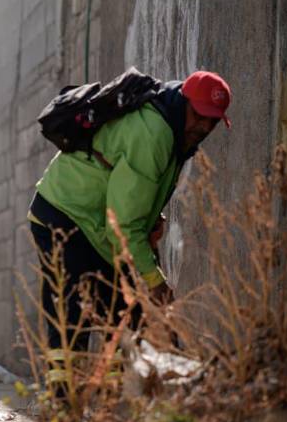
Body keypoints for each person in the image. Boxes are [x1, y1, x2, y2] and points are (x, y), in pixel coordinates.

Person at [29, 71, 232, 355]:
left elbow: (129, 201)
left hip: (88, 222)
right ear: (183, 101)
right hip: (66, 216)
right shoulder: (155, 135)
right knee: (73, 320)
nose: (203, 126)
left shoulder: (174, 129)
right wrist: (155, 282)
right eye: (198, 115)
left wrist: (149, 219)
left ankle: (111, 393)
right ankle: (65, 398)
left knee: (120, 317)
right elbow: (123, 226)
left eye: (211, 120)